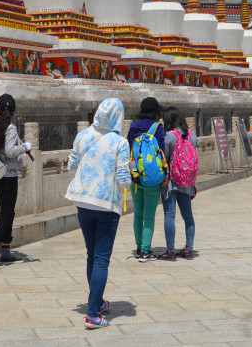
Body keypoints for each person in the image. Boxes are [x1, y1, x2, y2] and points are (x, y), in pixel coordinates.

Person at [65, 97, 131, 329]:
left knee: (92, 255)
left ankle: (98, 302)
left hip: (82, 201)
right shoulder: (120, 142)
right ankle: (93, 314)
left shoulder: (82, 135)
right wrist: (130, 181)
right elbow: (123, 179)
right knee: (102, 259)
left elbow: (70, 165)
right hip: (106, 205)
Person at [0, 94, 31, 267]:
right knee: (7, 215)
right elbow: (10, 151)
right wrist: (25, 146)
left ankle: (6, 252)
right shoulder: (10, 128)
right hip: (8, 176)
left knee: (8, 212)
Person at [127, 97, 166, 261]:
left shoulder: (133, 126)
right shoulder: (157, 127)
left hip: (135, 177)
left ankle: (138, 247)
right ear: (155, 112)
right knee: (149, 216)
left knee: (138, 215)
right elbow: (162, 153)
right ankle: (145, 251)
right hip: (152, 178)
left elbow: (129, 148)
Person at [159, 107, 196, 261]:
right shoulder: (192, 135)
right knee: (188, 216)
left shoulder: (168, 136)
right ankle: (188, 249)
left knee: (170, 215)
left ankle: (170, 251)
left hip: (171, 181)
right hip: (186, 181)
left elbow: (165, 159)